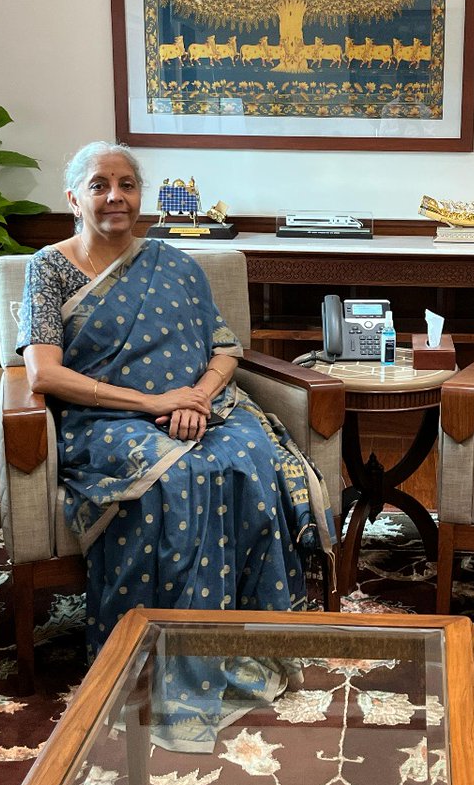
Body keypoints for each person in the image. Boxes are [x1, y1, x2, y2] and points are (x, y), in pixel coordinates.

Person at [17, 141, 332, 749]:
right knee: (173, 477)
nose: (115, 197)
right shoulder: (48, 268)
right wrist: (157, 404)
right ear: (73, 198)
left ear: (141, 196)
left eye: (128, 184)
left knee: (247, 459)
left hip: (200, 404)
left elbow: (225, 349)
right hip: (106, 415)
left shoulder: (175, 264)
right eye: (100, 184)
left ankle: (244, 644)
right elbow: (45, 375)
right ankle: (151, 652)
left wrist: (200, 397)